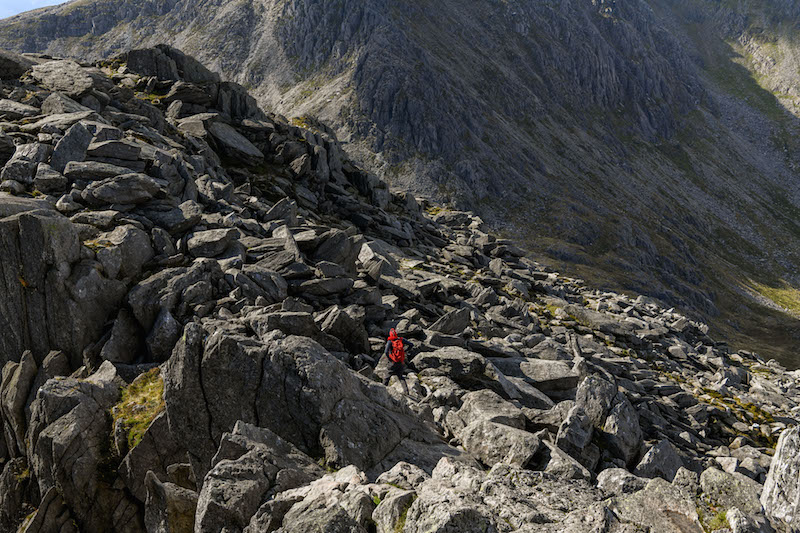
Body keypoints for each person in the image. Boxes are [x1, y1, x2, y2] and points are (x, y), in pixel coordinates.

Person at [382, 328, 413, 394]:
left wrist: (390, 359)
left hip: (393, 362)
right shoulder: (401, 339)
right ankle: (406, 392)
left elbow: (386, 351)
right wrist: (405, 351)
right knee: (401, 377)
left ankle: (383, 390)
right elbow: (411, 344)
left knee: (387, 376)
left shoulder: (390, 341)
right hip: (401, 361)